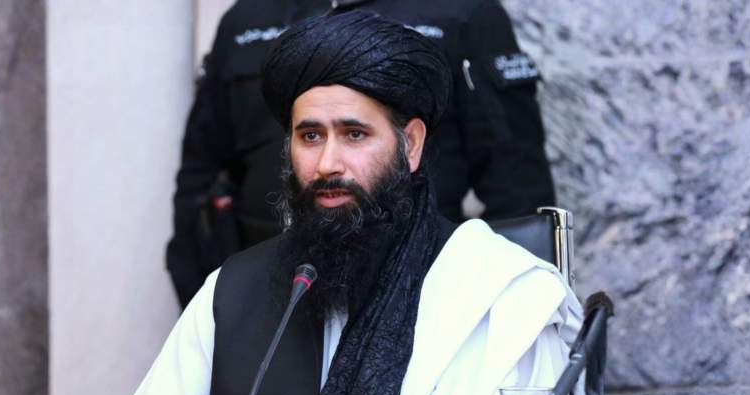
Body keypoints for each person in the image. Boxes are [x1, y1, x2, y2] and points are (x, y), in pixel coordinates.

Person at [114, 11, 581, 395]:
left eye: (354, 134)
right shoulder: (233, 290)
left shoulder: (502, 300)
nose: (327, 163)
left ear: (411, 144)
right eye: (310, 136)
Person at [166, 0, 557, 306]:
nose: (328, 161)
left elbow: (518, 185)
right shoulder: (247, 18)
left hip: (419, 291)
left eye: (354, 134)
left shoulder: (462, 12)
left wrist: (484, 305)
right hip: (269, 293)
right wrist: (211, 301)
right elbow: (200, 173)